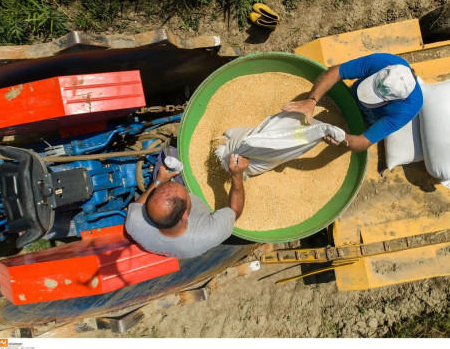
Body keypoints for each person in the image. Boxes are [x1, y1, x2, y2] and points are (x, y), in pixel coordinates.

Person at [282, 53, 423, 152]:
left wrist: (341, 138)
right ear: (385, 70)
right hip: (351, 94)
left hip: (366, 121)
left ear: (400, 99)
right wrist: (311, 101)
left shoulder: (407, 109)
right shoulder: (382, 62)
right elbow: (335, 72)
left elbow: (362, 142)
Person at [125, 154, 249, 259]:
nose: (185, 187)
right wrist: (237, 175)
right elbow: (234, 211)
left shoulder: (133, 221)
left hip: (165, 198)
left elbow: (137, 205)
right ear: (185, 215)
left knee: (169, 155)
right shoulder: (208, 233)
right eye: (186, 193)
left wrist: (159, 181)